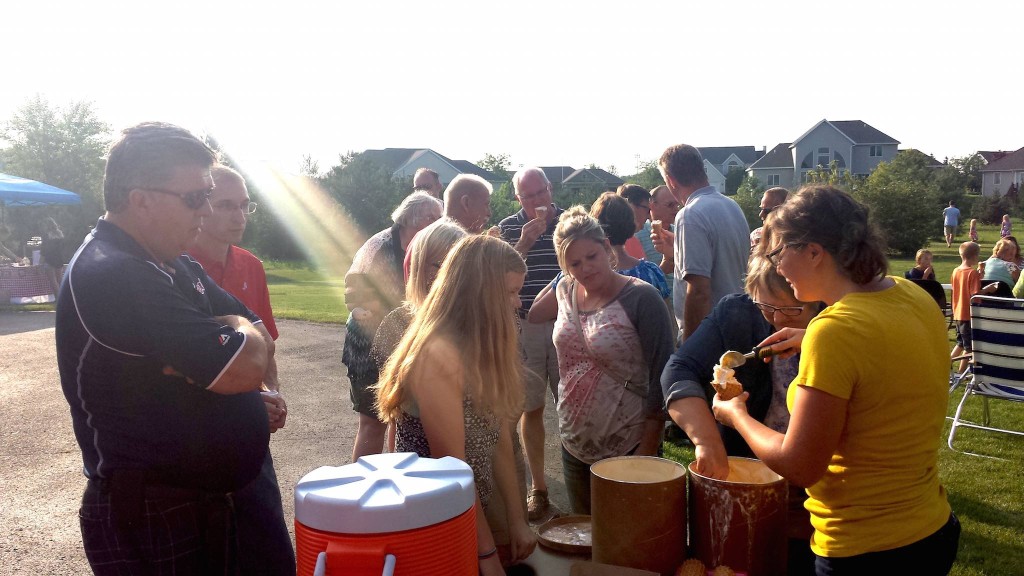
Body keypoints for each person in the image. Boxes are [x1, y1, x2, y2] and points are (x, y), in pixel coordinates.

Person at [56, 122, 274, 574]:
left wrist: (232, 332)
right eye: (196, 198)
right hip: (154, 513)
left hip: (199, 503)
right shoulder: (114, 272)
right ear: (141, 199)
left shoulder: (172, 262)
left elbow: (258, 336)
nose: (205, 211)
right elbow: (242, 368)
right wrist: (234, 333)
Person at [713, 185, 960, 574]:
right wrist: (809, 335)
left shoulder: (835, 333)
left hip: (864, 550)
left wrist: (737, 415)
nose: (776, 266)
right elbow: (883, 355)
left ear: (813, 252)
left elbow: (799, 466)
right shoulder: (912, 295)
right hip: (931, 530)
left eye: (778, 253)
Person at [376, 235, 537, 576]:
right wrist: (486, 553)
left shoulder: (485, 343)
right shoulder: (437, 355)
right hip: (429, 511)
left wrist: (516, 519)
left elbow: (500, 438)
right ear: (480, 294)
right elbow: (452, 468)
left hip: (464, 508)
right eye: (509, 292)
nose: (517, 302)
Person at [662, 255, 820, 575]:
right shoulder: (737, 312)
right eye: (766, 306)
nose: (776, 320)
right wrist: (707, 442)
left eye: (791, 309)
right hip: (747, 483)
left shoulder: (841, 324)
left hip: (819, 492)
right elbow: (679, 369)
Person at [186, 164, 294, 574]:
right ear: (200, 206)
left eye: (245, 206)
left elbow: (266, 342)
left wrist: (272, 391)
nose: (239, 216)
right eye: (226, 205)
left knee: (270, 546)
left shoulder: (251, 265)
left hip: (248, 428)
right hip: (200, 433)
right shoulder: (177, 266)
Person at [542, 206, 674, 514]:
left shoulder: (642, 298)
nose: (585, 268)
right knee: (583, 541)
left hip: (628, 442)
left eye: (591, 257)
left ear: (606, 247)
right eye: (574, 263)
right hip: (573, 441)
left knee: (629, 543)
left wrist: (646, 450)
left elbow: (663, 377)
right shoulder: (564, 290)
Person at [344, 191, 442, 461]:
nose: (438, 223)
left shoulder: (423, 247)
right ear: (411, 219)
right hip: (368, 346)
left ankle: (392, 478)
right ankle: (363, 493)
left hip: (402, 343)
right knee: (373, 422)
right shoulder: (381, 246)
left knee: (401, 418)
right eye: (433, 217)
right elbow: (353, 296)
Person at [498, 167, 563, 521]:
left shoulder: (571, 221)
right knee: (531, 406)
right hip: (524, 327)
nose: (537, 201)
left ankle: (581, 476)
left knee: (571, 403)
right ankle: (538, 488)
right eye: (528, 196)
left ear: (550, 189)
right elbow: (497, 278)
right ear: (518, 199)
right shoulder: (508, 228)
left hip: (567, 324)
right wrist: (523, 242)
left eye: (541, 193)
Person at [653, 144, 749, 341]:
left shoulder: (690, 215)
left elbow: (699, 291)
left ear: (670, 181)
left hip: (713, 335)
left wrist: (690, 347)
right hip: (739, 323)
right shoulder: (731, 205)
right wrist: (678, 250)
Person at [952, 242, 996, 374]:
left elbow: (965, 286)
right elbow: (975, 294)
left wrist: (979, 273)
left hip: (958, 313)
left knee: (960, 343)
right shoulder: (972, 273)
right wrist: (988, 289)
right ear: (975, 256)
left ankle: (947, 364)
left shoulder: (956, 271)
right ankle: (961, 372)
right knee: (969, 347)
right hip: (969, 313)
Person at [648, 184, 680, 277]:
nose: (676, 209)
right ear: (652, 206)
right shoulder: (637, 236)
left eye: (677, 204)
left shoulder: (680, 232)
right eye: (670, 205)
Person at [616, 183, 651, 261]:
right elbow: (641, 273)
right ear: (630, 206)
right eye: (647, 210)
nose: (649, 216)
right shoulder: (626, 240)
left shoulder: (630, 239)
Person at [40, 216, 65, 295]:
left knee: (53, 280)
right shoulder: (60, 235)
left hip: (49, 260)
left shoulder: (46, 236)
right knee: (60, 279)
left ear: (46, 226)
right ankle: (64, 296)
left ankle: (58, 297)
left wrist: (40, 262)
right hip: (59, 259)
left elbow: (44, 250)